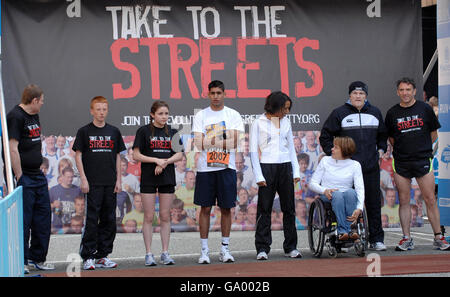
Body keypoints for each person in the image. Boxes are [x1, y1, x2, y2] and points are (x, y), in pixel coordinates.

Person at [319, 81, 388, 251]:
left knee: (372, 203)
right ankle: (345, 237)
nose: (358, 97)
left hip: (370, 166)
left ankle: (377, 239)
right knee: (346, 202)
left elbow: (383, 136)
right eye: (355, 94)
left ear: (366, 96)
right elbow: (325, 136)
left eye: (361, 94)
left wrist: (380, 151)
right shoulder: (339, 113)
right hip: (346, 169)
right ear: (349, 95)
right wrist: (334, 154)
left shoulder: (375, 112)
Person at [385, 77, 450, 251]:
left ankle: (438, 237)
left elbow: (433, 134)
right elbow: (392, 139)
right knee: (404, 200)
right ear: (397, 92)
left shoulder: (425, 108)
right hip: (401, 161)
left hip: (422, 160)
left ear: (414, 91)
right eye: (402, 90)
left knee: (430, 199)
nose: (405, 93)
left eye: (408, 90)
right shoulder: (392, 113)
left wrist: (421, 148)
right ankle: (406, 238)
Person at [192, 80, 244, 264]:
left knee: (226, 208)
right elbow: (198, 143)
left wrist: (210, 140)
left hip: (227, 167)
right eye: (212, 93)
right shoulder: (201, 116)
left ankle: (225, 249)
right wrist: (224, 139)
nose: (215, 96)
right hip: (206, 169)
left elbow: (235, 142)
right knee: (205, 208)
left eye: (219, 93)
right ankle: (204, 251)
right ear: (208, 94)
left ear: (224, 94)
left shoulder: (233, 115)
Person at [73, 96, 126, 270]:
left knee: (109, 220)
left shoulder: (114, 131)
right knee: (91, 219)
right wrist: (83, 178)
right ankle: (88, 256)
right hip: (92, 183)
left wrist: (118, 179)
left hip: (110, 183)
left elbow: (118, 156)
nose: (101, 112)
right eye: (98, 109)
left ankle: (102, 255)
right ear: (92, 111)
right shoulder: (84, 131)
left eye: (104, 109)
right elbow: (78, 155)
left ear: (107, 111)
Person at [249, 91, 302, 261]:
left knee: (289, 208)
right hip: (266, 168)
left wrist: (296, 171)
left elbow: (291, 149)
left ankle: (291, 247)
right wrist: (258, 175)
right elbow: (252, 150)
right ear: (274, 106)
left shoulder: (286, 121)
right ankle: (262, 248)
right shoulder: (258, 122)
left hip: (285, 166)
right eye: (284, 109)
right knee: (264, 209)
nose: (286, 112)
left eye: (288, 109)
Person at [7, 84, 54, 273]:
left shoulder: (34, 114)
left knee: (43, 218)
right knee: (23, 220)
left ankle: (38, 258)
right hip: (24, 176)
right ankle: (22, 261)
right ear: (34, 101)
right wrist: (19, 177)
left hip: (38, 175)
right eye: (41, 101)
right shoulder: (15, 116)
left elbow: (34, 143)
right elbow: (12, 148)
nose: (43, 104)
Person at [132, 100, 183, 266]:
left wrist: (165, 162)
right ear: (152, 115)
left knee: (165, 215)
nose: (164, 117)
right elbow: (136, 155)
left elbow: (179, 155)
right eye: (160, 113)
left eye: (166, 114)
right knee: (148, 216)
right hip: (148, 177)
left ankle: (165, 252)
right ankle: (148, 254)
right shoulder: (143, 131)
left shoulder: (173, 131)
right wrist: (155, 160)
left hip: (166, 177)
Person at [309, 136, 365, 241]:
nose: (332, 149)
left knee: (351, 193)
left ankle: (350, 230)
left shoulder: (355, 165)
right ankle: (343, 231)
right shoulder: (325, 161)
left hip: (348, 196)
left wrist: (359, 208)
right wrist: (324, 190)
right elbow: (312, 183)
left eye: (336, 147)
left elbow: (360, 189)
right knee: (338, 195)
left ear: (344, 150)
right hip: (328, 195)